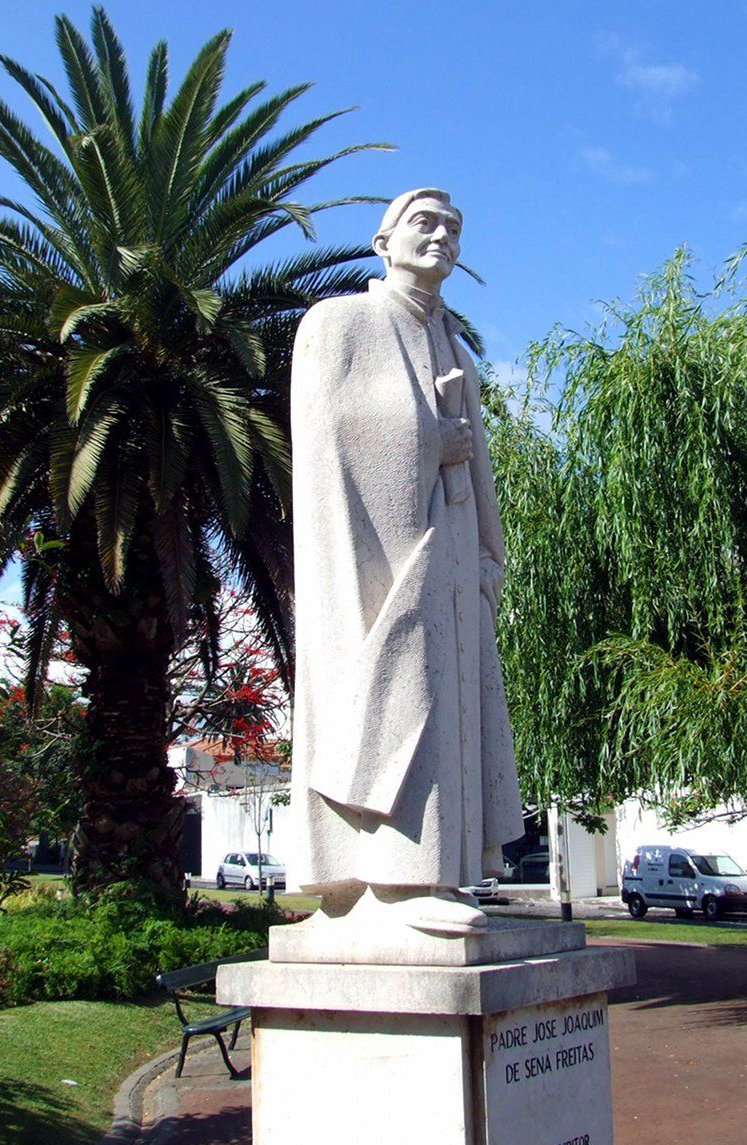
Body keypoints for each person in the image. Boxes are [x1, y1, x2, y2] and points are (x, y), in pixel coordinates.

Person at [288, 188, 525, 937]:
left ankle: (442, 872)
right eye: (425, 223)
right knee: (401, 695)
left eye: (454, 227)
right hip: (384, 558)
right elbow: (327, 428)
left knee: (452, 702)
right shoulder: (341, 322)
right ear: (382, 241)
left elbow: (478, 459)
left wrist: (489, 550)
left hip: (451, 553)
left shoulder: (456, 344)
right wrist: (426, 439)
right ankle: (393, 878)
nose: (443, 236)